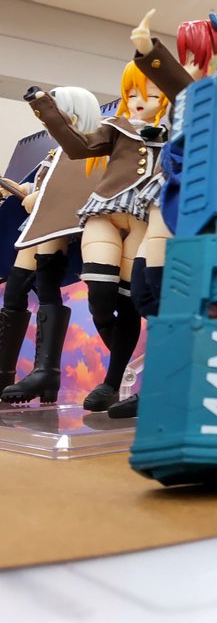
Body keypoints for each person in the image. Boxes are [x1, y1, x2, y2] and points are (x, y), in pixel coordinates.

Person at [24, 65, 169, 411]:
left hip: (144, 219)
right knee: (100, 299)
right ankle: (127, 369)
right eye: (132, 94)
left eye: (150, 95)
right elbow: (78, 146)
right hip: (104, 211)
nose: (139, 101)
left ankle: (112, 382)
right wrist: (45, 107)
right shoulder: (115, 128)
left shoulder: (173, 134)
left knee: (131, 302)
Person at [0, 86, 101, 403]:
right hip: (36, 225)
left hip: (57, 226)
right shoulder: (56, 152)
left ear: (75, 115)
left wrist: (39, 198)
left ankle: (47, 372)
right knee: (15, 291)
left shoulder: (88, 150)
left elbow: (76, 191)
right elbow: (44, 185)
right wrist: (23, 190)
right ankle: (5, 372)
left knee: (46, 287)